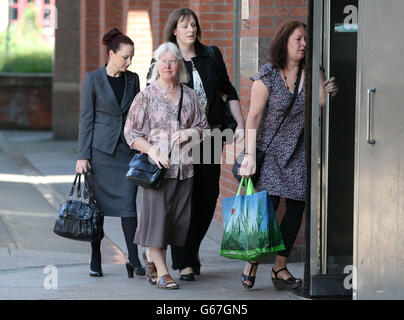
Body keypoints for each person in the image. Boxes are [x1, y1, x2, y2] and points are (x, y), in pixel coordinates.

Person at [147, 8, 245, 281]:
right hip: (178, 142)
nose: (191, 29)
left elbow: (228, 90)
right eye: (185, 25)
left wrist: (240, 126)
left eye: (193, 24)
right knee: (181, 200)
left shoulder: (210, 55)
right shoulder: (165, 58)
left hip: (210, 136)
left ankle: (191, 249)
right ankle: (186, 260)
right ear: (174, 30)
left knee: (207, 196)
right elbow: (152, 96)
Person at [239, 20, 338, 290]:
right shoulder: (268, 74)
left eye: (306, 39)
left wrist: (329, 92)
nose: (304, 44)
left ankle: (279, 267)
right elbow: (254, 117)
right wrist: (249, 154)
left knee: (295, 209)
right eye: (299, 39)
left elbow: (320, 103)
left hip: (298, 151)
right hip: (269, 152)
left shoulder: (312, 70)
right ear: (285, 41)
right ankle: (253, 263)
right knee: (266, 211)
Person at [124, 42, 207, 290]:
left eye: (172, 61)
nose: (168, 65)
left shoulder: (190, 95)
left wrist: (190, 132)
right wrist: (151, 150)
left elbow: (203, 126)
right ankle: (163, 272)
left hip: (185, 170)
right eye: (163, 61)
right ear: (156, 65)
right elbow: (131, 133)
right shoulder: (146, 96)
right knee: (157, 221)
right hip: (156, 171)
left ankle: (150, 257)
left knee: (176, 224)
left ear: (179, 64)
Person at [76, 28, 145, 278]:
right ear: (112, 53)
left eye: (131, 58)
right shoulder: (93, 79)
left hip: (126, 154)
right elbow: (86, 120)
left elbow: (138, 116)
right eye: (125, 57)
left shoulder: (133, 79)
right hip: (100, 155)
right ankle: (96, 257)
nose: (129, 62)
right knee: (98, 210)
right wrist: (82, 156)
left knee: (129, 206)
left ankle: (134, 258)